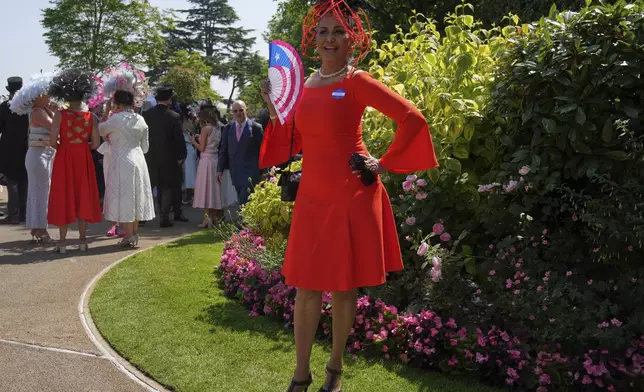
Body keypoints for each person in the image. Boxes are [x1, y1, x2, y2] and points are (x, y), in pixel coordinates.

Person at [258, 2, 438, 391]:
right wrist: (275, 110)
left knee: (342, 286)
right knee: (305, 288)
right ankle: (300, 374)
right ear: (313, 39)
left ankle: (334, 370)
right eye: (322, 32)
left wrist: (383, 163)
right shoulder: (303, 88)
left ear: (351, 38)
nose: (329, 39)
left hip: (349, 193)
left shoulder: (357, 80)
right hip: (311, 196)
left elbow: (412, 119)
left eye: (337, 31)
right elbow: (300, 138)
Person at [47, 68, 102, 253]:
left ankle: (62, 242)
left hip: (64, 156)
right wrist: (82, 147)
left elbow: (52, 141)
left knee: (64, 194)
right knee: (83, 195)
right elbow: (95, 144)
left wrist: (64, 147)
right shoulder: (91, 117)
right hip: (83, 157)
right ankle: (82, 241)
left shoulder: (60, 115)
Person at [99, 64, 155, 247]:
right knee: (136, 197)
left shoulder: (114, 119)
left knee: (125, 198)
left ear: (118, 104)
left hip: (121, 160)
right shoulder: (141, 119)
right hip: (139, 159)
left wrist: (106, 112)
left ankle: (128, 235)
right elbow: (146, 146)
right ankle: (133, 233)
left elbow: (100, 130)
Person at [8, 73, 57, 242]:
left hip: (45, 155)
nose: (50, 96)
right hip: (39, 156)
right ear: (38, 96)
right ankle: (41, 230)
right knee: (41, 193)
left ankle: (37, 228)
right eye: (47, 94)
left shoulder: (45, 110)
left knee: (40, 192)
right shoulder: (38, 112)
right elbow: (55, 127)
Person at [143, 85, 188, 227]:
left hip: (150, 155)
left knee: (148, 186)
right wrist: (182, 155)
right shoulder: (174, 116)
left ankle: (142, 217)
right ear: (169, 99)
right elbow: (178, 138)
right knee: (166, 187)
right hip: (168, 157)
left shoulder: (147, 114)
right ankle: (164, 217)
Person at [217, 100, 264, 206]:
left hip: (251, 172)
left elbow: (262, 151)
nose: (238, 113)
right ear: (232, 113)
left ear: (246, 110)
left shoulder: (256, 127)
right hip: (235, 172)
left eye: (241, 110)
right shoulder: (227, 129)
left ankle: (244, 222)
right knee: (242, 200)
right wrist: (219, 169)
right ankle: (246, 222)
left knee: (244, 200)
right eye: (235, 111)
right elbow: (223, 150)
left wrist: (265, 172)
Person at [0, 77, 29, 225]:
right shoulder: (28, 107)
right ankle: (23, 214)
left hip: (8, 148)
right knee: (24, 181)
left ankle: (13, 214)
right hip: (26, 147)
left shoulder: (5, 106)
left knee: (12, 181)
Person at [191, 105, 223, 227]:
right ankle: (213, 217)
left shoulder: (205, 129)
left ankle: (206, 219)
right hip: (215, 159)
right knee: (214, 189)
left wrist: (194, 141)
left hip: (206, 160)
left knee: (205, 189)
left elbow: (202, 148)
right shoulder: (218, 128)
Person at [180, 105, 197, 205]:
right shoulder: (189, 124)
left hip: (189, 149)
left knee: (189, 174)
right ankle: (189, 194)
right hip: (189, 149)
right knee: (188, 174)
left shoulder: (185, 125)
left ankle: (189, 195)